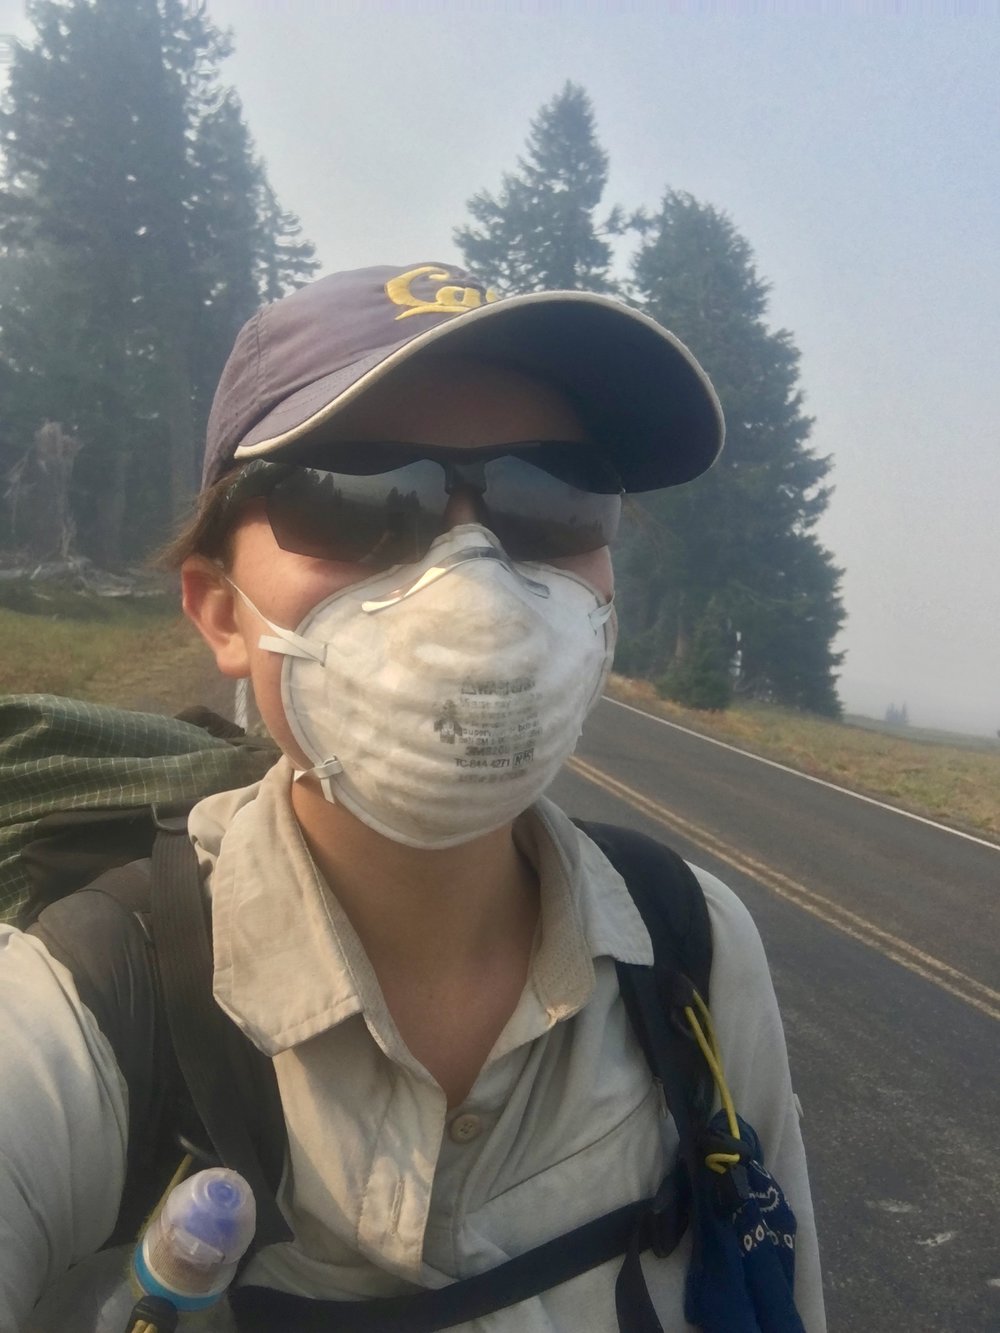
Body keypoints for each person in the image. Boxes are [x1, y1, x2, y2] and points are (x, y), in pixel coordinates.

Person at [0, 262, 825, 1331]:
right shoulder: (87, 1006)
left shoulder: (696, 948)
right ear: (220, 611)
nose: (474, 581)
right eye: (356, 495)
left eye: (552, 496)